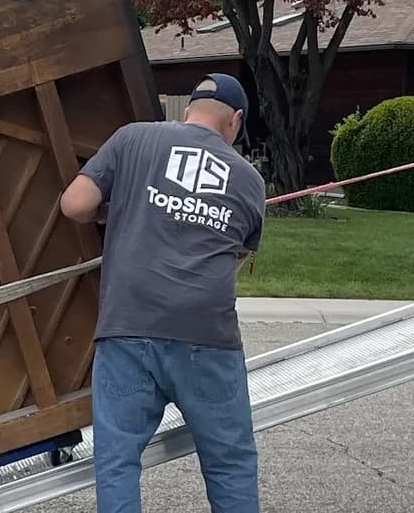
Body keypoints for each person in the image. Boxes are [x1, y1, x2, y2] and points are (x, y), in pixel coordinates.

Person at [60, 73, 266, 513]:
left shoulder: (133, 138)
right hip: (206, 338)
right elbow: (236, 255)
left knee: (117, 462)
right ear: (235, 120)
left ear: (189, 109)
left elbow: (74, 205)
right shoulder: (248, 179)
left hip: (127, 327)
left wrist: (113, 211)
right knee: (229, 463)